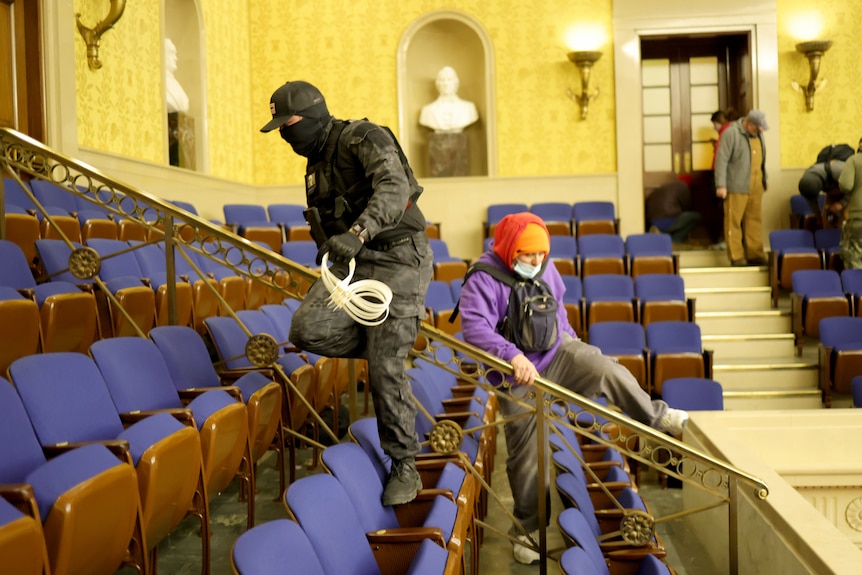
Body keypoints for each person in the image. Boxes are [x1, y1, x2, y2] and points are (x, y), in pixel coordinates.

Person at [458, 212, 689, 565]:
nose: (536, 262)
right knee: (527, 456)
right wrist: (512, 355)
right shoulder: (483, 278)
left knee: (602, 366)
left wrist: (572, 343)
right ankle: (529, 531)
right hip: (514, 373)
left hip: (556, 354)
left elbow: (558, 310)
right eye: (527, 255)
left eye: (540, 254)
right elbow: (474, 329)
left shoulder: (545, 267)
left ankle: (658, 417)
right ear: (509, 249)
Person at [260, 80, 433, 505]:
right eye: (279, 128)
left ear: (316, 114)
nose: (286, 135)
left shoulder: (362, 137)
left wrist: (359, 231)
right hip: (354, 265)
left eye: (290, 124)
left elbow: (394, 188)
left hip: (398, 258)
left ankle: (405, 465)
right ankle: (388, 340)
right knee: (307, 328)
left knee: (384, 368)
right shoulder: (314, 167)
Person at [714, 109, 769, 267]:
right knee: (734, 222)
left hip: (756, 185)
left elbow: (762, 160)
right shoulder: (731, 133)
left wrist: (765, 179)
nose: (761, 130)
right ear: (749, 123)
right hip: (736, 185)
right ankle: (736, 256)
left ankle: (755, 254)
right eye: (758, 127)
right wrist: (721, 185)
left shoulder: (758, 135)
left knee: (754, 221)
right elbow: (721, 160)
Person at [418, 66, 479, 133]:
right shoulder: (427, 110)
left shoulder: (468, 108)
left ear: (456, 83)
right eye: (442, 80)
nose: (446, 83)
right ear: (437, 84)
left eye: (450, 80)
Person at [646, 177, 703, 244]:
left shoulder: (666, 186)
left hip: (652, 221)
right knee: (696, 217)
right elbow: (687, 206)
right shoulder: (683, 187)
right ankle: (675, 239)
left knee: (676, 216)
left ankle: (660, 234)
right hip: (668, 220)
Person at [837, 140, 862, 269]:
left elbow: (846, 185)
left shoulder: (854, 160)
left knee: (854, 255)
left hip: (858, 217)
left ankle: (856, 288)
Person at [165, 38, 189, 114]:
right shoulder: (159, 84)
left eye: (175, 54)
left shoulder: (175, 84)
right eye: (171, 53)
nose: (176, 58)